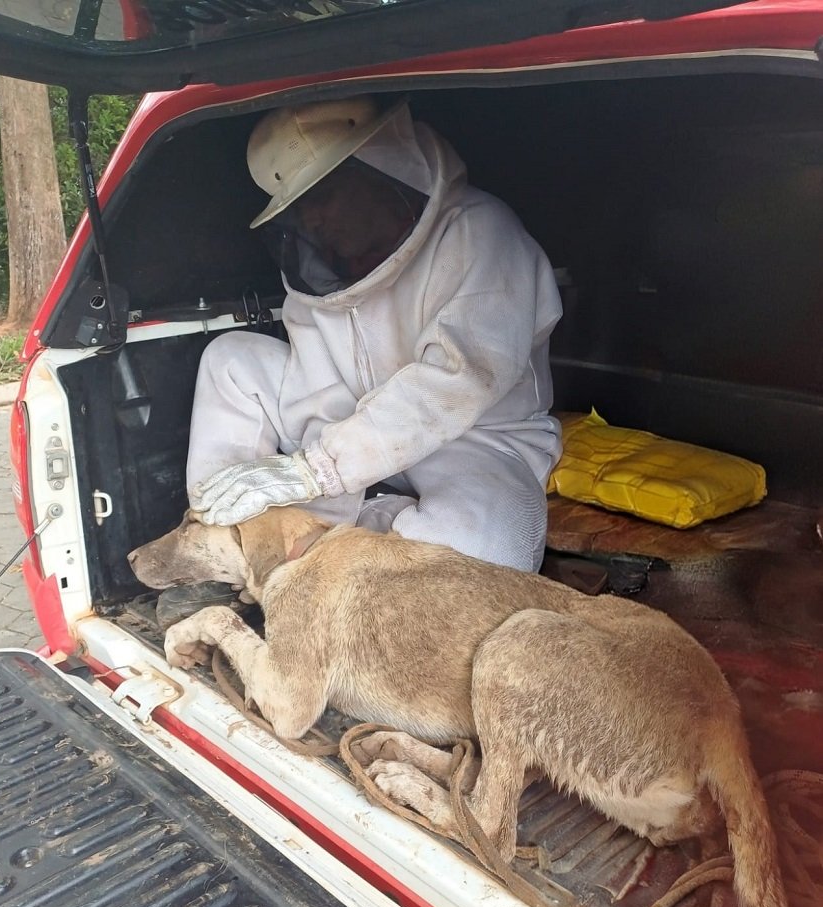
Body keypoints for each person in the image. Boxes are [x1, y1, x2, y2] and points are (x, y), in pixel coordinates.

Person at [186, 96, 562, 572]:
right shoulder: (316, 276)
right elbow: (316, 383)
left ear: (377, 172)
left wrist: (315, 470)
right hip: (347, 425)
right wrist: (319, 468)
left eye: (324, 196)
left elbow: (462, 375)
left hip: (475, 439)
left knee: (484, 547)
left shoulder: (479, 231)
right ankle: (224, 538)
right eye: (301, 207)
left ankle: (348, 539)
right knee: (229, 357)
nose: (314, 220)